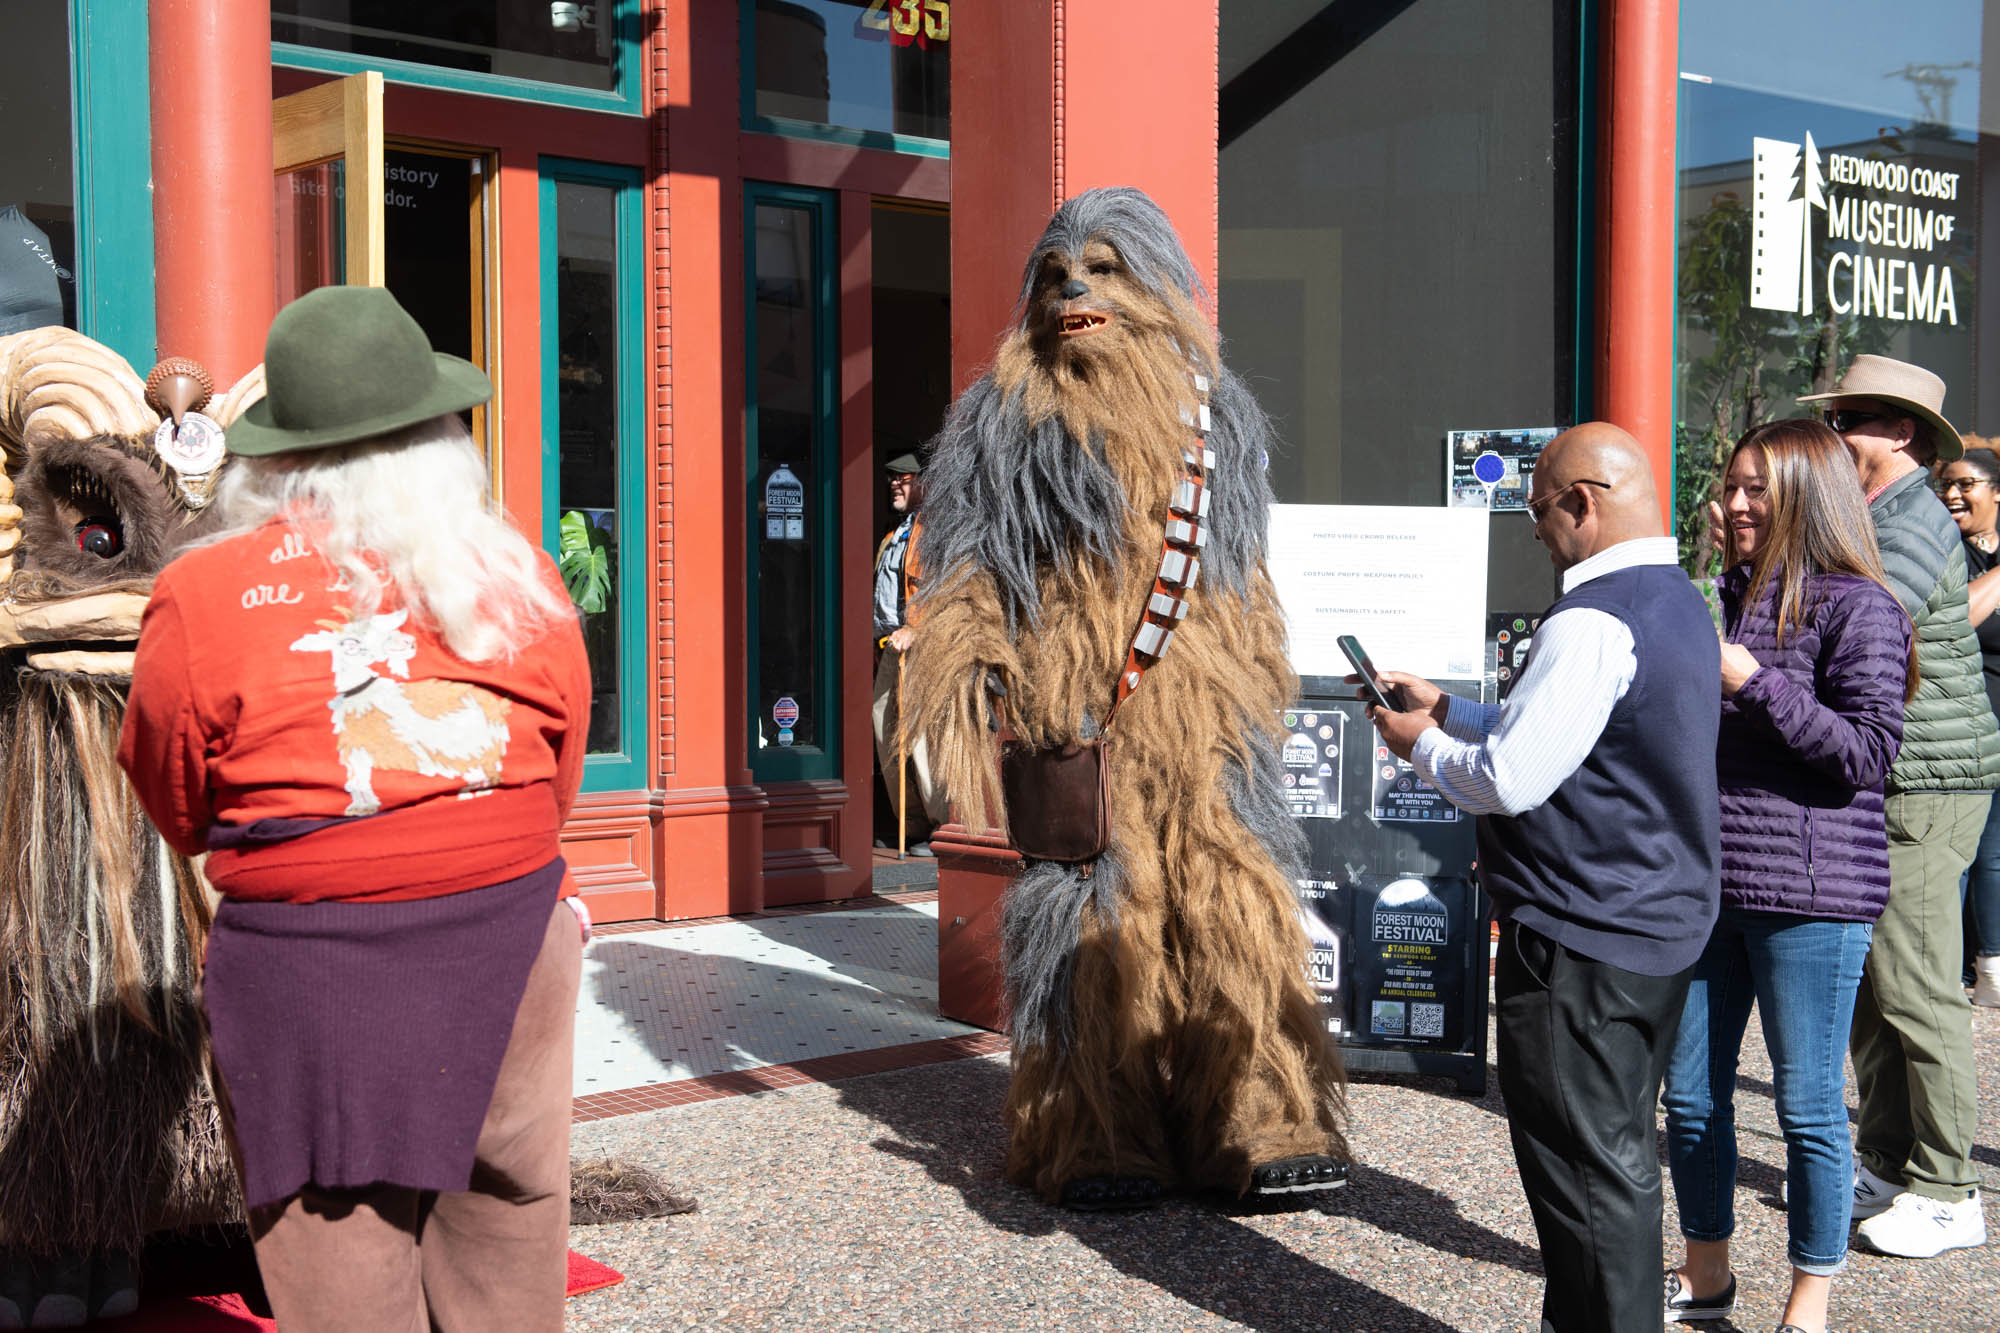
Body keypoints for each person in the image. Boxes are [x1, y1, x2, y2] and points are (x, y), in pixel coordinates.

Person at [117, 285, 592, 1331]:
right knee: (510, 1233)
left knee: (341, 1268)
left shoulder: (205, 593)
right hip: (512, 942)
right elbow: (555, 782)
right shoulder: (518, 573)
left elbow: (174, 797)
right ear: (441, 438)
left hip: (316, 976)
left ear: (274, 457)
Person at [1362, 422, 1720, 1333]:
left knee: (1586, 1174)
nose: (1534, 530)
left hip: (1577, 939)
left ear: (1583, 502)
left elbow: (1511, 778)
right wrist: (1454, 708)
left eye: (1538, 510)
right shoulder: (1676, 600)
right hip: (1647, 926)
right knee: (1610, 1158)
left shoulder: (1592, 619)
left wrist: (1420, 744)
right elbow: (1578, 734)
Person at [1661, 420, 1912, 1333]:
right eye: (1730, 487)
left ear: (1809, 494)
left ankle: (1809, 1304)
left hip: (1812, 896)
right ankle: (1708, 1276)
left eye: (1755, 489)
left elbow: (1867, 752)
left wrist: (1752, 683)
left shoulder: (1861, 606)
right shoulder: (1724, 594)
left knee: (1807, 1109)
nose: (1733, 504)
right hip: (1711, 886)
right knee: (1691, 1096)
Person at [1801, 354, 1998, 1257]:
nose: (1834, 437)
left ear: (1902, 432)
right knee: (1877, 989)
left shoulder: (1913, 516)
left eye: (1848, 422)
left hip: (1929, 780)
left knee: (1916, 986)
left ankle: (1952, 1191)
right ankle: (1887, 1162)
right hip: (1892, 778)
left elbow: (1872, 618)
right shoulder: (1877, 512)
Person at [1936, 444, 2000, 1006]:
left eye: (1966, 484)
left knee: (1995, 853)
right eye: (1947, 484)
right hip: (1961, 729)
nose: (1953, 494)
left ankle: (1990, 967)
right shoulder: (1944, 554)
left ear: (1996, 492)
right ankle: (1949, 970)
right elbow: (1956, 622)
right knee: (1957, 853)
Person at [871, 451, 944, 854]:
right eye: (892, 478)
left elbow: (944, 588)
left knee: (921, 738)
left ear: (924, 482)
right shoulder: (894, 533)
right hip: (888, 647)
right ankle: (911, 824)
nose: (894, 484)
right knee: (886, 731)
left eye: (904, 478)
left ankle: (941, 826)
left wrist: (918, 628)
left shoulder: (935, 531)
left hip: (919, 645)